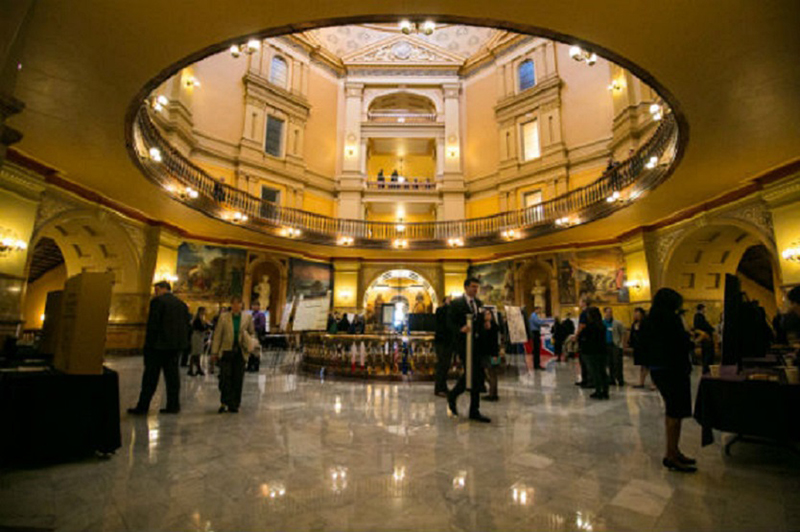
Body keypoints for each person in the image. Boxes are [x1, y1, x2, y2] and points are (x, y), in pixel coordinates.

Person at [641, 287, 697, 473]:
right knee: (675, 412)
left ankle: (673, 450)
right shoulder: (671, 319)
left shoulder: (649, 319)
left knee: (672, 412)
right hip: (673, 369)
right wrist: (695, 341)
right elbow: (680, 343)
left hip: (658, 369)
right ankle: (671, 455)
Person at [128, 281, 191, 415]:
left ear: (162, 289)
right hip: (175, 347)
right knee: (173, 378)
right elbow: (186, 326)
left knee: (150, 378)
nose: (155, 292)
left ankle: (143, 406)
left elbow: (153, 325)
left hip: (158, 347)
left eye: (156, 289)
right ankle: (173, 406)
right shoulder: (182, 305)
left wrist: (148, 345)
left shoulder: (158, 302)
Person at [447, 277, 490, 422]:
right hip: (463, 345)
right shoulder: (456, 303)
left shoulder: (478, 303)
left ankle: (473, 409)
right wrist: (460, 329)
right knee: (472, 374)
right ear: (465, 288)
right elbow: (449, 323)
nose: (475, 290)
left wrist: (485, 325)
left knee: (476, 376)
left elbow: (479, 322)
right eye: (472, 287)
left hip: (477, 345)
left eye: (477, 287)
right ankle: (456, 397)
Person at [211, 296, 256, 413]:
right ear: (231, 305)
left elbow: (252, 333)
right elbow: (217, 335)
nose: (236, 306)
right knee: (225, 377)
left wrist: (249, 342)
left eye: (238, 303)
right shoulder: (223, 317)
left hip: (240, 351)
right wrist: (214, 352)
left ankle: (234, 404)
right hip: (226, 350)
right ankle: (224, 402)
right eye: (234, 304)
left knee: (238, 378)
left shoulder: (247, 317)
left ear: (242, 305)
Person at [579, 306, 608, 399]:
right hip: (602, 351)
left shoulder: (589, 327)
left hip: (590, 352)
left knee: (594, 372)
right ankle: (605, 391)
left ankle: (598, 390)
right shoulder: (602, 326)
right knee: (602, 371)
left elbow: (583, 337)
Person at [480, 309, 501, 402]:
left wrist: (496, 354)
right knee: (488, 372)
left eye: (489, 314)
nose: (488, 316)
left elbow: (494, 342)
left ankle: (493, 394)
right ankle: (492, 392)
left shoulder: (494, 327)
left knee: (492, 373)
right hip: (486, 353)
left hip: (492, 353)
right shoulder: (482, 326)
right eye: (486, 314)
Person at [434, 296, 452, 397]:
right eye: (448, 299)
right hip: (441, 342)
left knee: (446, 366)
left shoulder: (450, 311)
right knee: (441, 365)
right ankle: (439, 388)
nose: (450, 300)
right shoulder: (440, 310)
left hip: (448, 342)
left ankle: (444, 387)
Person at [629, 307, 652, 389]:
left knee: (649, 365)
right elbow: (632, 336)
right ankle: (641, 382)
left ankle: (653, 383)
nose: (636, 316)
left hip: (646, 347)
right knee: (642, 366)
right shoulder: (634, 324)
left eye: (638, 314)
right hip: (638, 347)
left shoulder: (646, 323)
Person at [603, 307, 626, 386]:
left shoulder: (617, 323)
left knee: (617, 363)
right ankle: (611, 379)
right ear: (604, 313)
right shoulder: (602, 323)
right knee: (609, 363)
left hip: (615, 344)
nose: (609, 314)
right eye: (607, 312)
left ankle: (620, 379)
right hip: (606, 345)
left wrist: (622, 344)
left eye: (611, 312)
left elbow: (623, 333)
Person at [693, 304, 716, 374]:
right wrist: (712, 329)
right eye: (705, 308)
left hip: (704, 335)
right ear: (702, 308)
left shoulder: (698, 316)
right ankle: (706, 367)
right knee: (708, 352)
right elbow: (703, 325)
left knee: (706, 352)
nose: (705, 310)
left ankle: (706, 367)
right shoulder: (699, 316)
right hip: (705, 335)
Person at [188, 307, 210, 376]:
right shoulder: (197, 319)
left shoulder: (201, 318)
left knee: (198, 353)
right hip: (197, 336)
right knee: (195, 353)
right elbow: (200, 327)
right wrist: (206, 328)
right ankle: (191, 369)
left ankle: (198, 368)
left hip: (199, 336)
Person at [528, 306, 546, 370]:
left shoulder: (534, 315)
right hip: (535, 333)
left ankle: (537, 364)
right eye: (539, 310)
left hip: (535, 333)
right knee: (536, 349)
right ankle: (536, 365)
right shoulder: (534, 316)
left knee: (537, 349)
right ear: (536, 309)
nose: (540, 312)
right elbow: (538, 322)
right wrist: (544, 321)